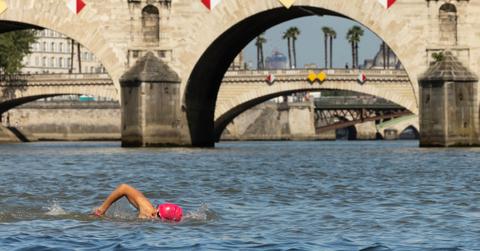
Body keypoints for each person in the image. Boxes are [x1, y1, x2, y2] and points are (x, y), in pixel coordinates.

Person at [93, 183, 183, 221]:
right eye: (157, 209)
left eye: (158, 214)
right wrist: (102, 209)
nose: (154, 212)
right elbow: (124, 187)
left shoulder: (152, 217)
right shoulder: (148, 210)